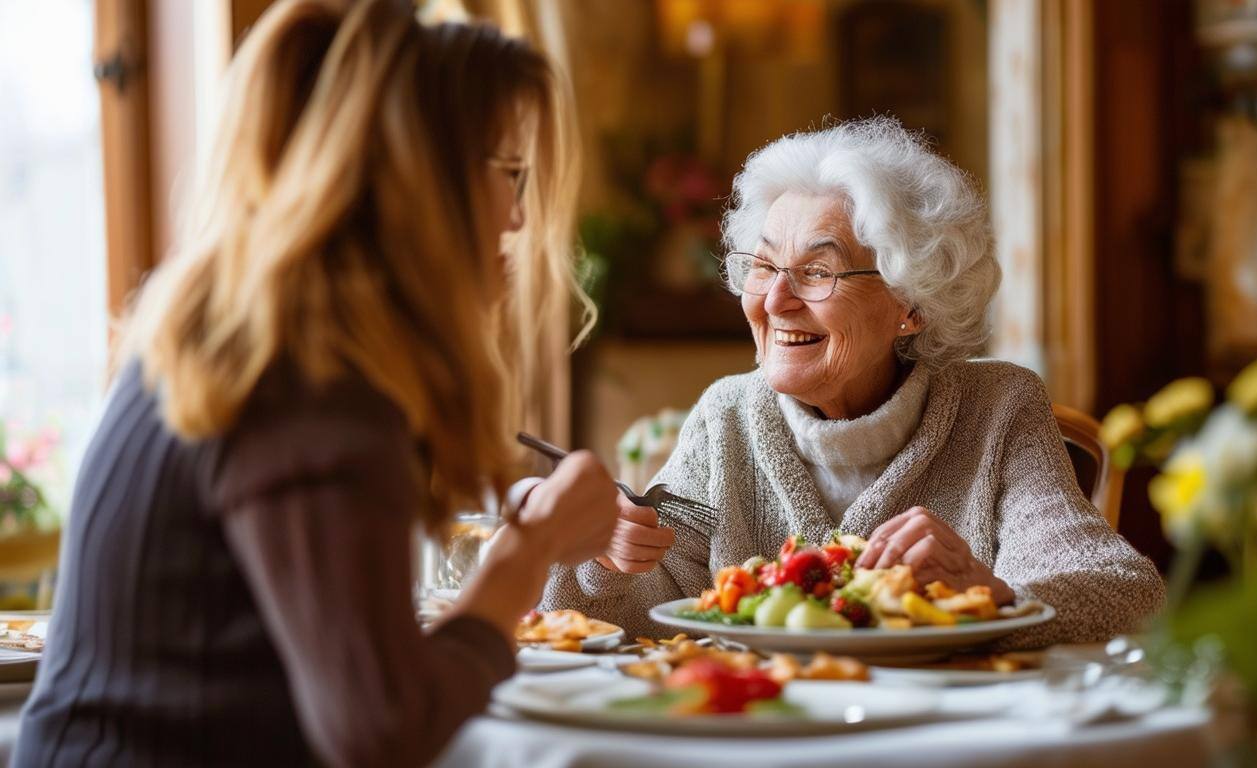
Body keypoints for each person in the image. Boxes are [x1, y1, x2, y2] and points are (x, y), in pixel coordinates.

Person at [14, 1, 616, 765]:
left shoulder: (254, 333)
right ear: (421, 180)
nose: (521, 217)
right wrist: (527, 556)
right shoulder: (309, 376)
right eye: (508, 172)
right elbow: (381, 728)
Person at [542, 118, 1165, 646]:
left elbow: (1124, 596)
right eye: (763, 265)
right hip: (764, 737)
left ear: (911, 304)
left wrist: (988, 591)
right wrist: (607, 557)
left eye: (819, 271)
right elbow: (638, 617)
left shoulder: (996, 408)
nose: (776, 299)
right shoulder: (728, 416)